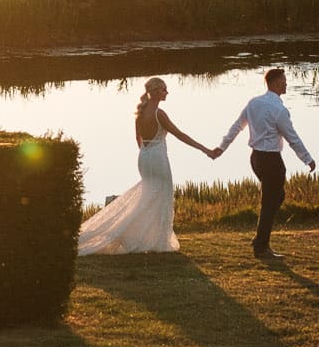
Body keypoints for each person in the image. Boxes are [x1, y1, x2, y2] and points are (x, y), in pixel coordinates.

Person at [77, 77, 217, 255]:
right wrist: (205, 150)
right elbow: (180, 135)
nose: (167, 93)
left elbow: (138, 139)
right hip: (158, 157)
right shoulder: (160, 114)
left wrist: (146, 153)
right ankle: (156, 240)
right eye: (164, 90)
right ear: (157, 92)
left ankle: (145, 237)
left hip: (143, 157)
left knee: (147, 196)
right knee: (161, 195)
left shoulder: (141, 112)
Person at [217, 67, 317, 261]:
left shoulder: (254, 103)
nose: (286, 83)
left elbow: (237, 126)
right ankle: (261, 247)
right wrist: (308, 159)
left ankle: (260, 239)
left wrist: (222, 147)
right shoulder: (279, 110)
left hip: (255, 159)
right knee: (270, 202)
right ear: (276, 82)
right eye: (284, 80)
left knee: (276, 197)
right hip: (271, 160)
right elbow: (292, 138)